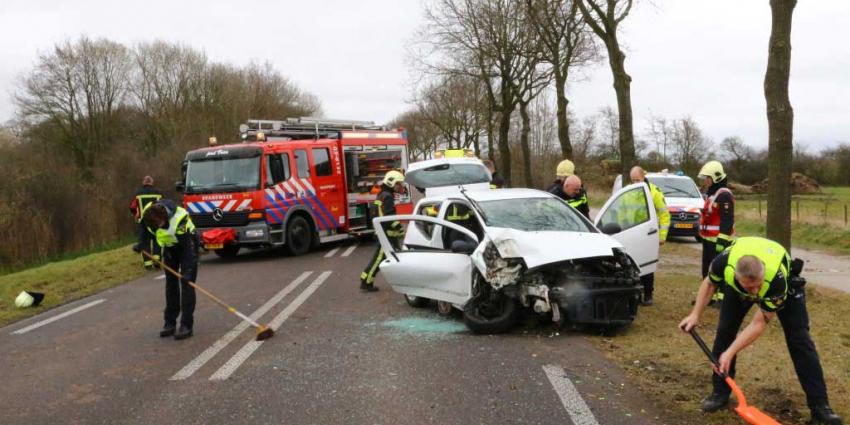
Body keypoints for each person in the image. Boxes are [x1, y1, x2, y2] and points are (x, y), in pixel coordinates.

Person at [678, 237, 842, 425]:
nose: (755, 292)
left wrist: (730, 352)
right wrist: (695, 315)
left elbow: (759, 323)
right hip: (737, 289)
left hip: (784, 289)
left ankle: (820, 407)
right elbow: (709, 283)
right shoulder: (724, 264)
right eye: (750, 287)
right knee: (724, 332)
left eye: (758, 285)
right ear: (737, 277)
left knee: (800, 340)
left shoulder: (776, 280)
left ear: (763, 272)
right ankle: (720, 393)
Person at [135, 199, 199, 340]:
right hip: (170, 248)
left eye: (160, 223)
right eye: (155, 224)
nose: (158, 226)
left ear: (165, 216)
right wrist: (141, 244)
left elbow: (188, 247)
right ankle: (169, 322)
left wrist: (188, 271)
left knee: (187, 284)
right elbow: (146, 232)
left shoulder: (179, 218)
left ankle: (186, 325)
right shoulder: (149, 218)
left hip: (188, 245)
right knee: (171, 284)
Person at [628, 166, 670, 305]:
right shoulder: (630, 191)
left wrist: (662, 236)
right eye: (632, 180)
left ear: (643, 176)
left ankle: (648, 294)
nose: (635, 183)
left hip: (648, 233)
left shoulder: (654, 192)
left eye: (637, 180)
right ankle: (635, 293)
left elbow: (664, 214)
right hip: (633, 233)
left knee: (647, 265)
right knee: (632, 265)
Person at [360, 170, 406, 292]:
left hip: (385, 233)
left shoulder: (382, 194)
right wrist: (400, 230)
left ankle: (402, 281)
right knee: (379, 259)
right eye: (398, 184)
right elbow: (390, 217)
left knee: (395, 258)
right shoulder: (388, 197)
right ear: (391, 183)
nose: (400, 187)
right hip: (386, 234)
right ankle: (366, 280)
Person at [698, 160, 734, 304]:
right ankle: (709, 297)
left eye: (707, 178)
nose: (705, 181)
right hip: (708, 239)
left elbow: (727, 220)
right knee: (707, 269)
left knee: (720, 270)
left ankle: (722, 299)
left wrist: (722, 240)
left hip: (718, 241)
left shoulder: (724, 195)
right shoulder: (713, 194)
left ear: (716, 177)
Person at [129, 176, 163, 269]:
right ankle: (157, 261)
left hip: (143, 222)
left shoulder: (138, 194)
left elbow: (132, 207)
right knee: (158, 240)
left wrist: (136, 214)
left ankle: (148, 264)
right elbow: (163, 205)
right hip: (156, 221)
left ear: (143, 182)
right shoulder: (158, 193)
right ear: (152, 182)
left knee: (145, 242)